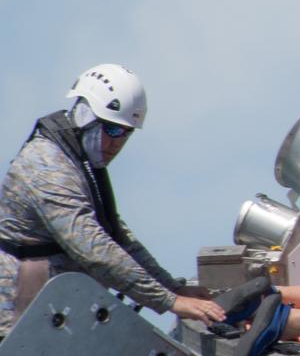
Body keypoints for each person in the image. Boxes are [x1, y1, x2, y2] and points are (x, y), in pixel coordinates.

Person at [0, 64, 225, 337]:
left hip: (56, 313)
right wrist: (169, 301)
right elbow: (95, 249)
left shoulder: (78, 160)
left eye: (126, 133)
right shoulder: (48, 169)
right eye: (112, 130)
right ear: (85, 116)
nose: (117, 143)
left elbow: (117, 237)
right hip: (20, 321)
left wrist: (171, 287)